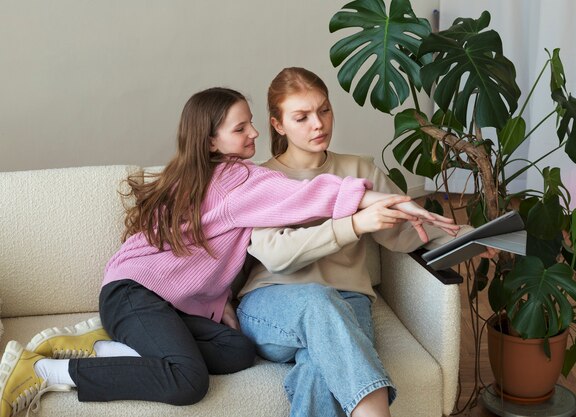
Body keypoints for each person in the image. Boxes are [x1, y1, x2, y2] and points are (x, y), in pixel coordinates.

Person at [0, 87, 457, 417]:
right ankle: (47, 373)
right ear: (211, 140)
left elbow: (209, 263)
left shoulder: (209, 176)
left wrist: (224, 305)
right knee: (187, 380)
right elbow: (309, 195)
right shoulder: (236, 179)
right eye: (242, 128)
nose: (255, 132)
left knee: (239, 352)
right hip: (133, 294)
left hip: (168, 307)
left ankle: (106, 347)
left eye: (251, 122)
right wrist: (377, 202)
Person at [236, 67, 492, 417]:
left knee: (318, 367)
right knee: (316, 299)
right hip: (273, 304)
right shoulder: (261, 179)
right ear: (278, 124)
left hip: (348, 301)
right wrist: (353, 224)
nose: (318, 124)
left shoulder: (359, 170)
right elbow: (276, 255)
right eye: (302, 117)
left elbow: (404, 233)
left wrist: (467, 236)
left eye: (324, 110)